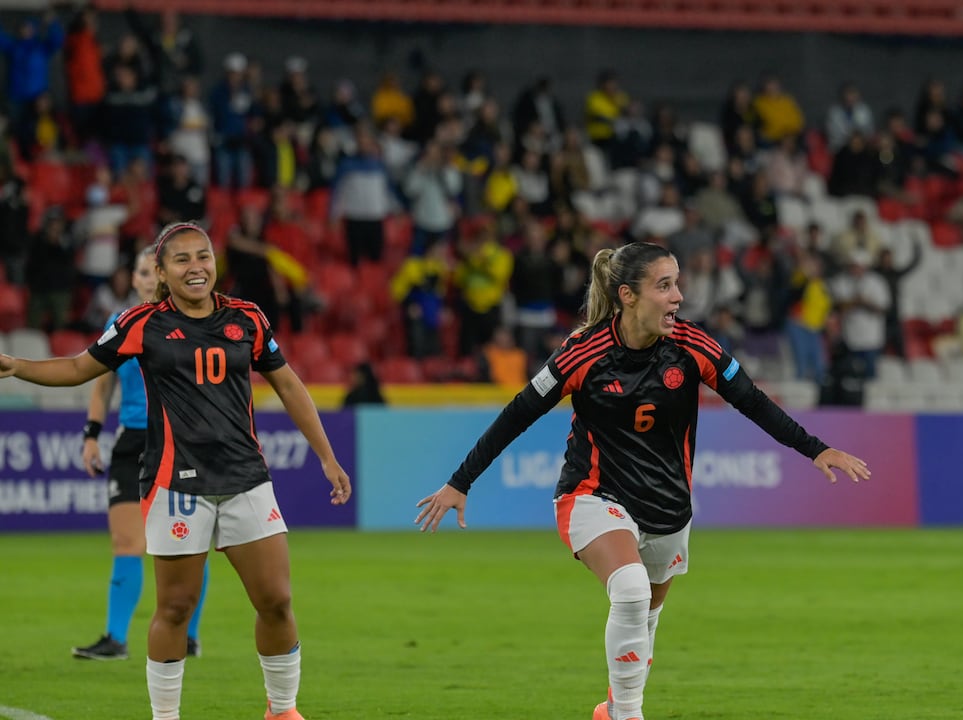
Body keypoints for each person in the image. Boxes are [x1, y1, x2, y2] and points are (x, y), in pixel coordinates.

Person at [414, 241, 870, 720]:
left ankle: (613, 709)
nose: (678, 297)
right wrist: (461, 481)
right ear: (628, 296)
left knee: (644, 618)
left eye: (677, 285)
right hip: (592, 495)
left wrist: (816, 448)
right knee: (630, 591)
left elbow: (752, 401)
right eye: (665, 286)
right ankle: (629, 715)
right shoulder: (581, 352)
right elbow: (517, 414)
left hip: (670, 507)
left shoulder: (694, 346)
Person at [0, 222, 352, 720]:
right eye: (182, 260)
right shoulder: (141, 322)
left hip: (245, 479)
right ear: (162, 273)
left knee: (275, 600)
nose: (196, 267)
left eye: (203, 257)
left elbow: (290, 387)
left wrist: (326, 455)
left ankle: (282, 709)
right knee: (175, 609)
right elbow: (81, 369)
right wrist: (18, 366)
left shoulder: (247, 318)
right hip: (174, 483)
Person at [74, 248, 209, 662]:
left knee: (188, 545)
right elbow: (100, 384)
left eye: (155, 271)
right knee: (126, 541)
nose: (149, 278)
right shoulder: (120, 326)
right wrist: (92, 434)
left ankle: (188, 635)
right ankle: (116, 639)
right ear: (133, 280)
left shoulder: (190, 323)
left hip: (180, 442)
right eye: (141, 271)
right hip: (132, 441)